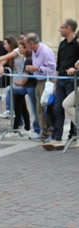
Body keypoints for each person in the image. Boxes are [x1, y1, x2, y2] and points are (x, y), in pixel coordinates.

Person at [43, 18, 79, 150]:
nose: (59, 29)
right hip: (62, 80)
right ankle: (57, 137)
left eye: (62, 27)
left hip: (72, 80)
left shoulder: (77, 44)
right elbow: (58, 65)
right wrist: (55, 82)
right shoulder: (62, 44)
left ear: (68, 29)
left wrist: (74, 70)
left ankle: (73, 136)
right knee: (58, 108)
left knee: (71, 108)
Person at [23, 33, 56, 142]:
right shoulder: (34, 51)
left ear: (31, 43)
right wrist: (33, 68)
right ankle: (44, 131)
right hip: (39, 80)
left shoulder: (45, 51)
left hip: (46, 81)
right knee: (39, 108)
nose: (25, 45)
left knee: (46, 107)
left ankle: (49, 132)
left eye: (26, 43)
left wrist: (37, 68)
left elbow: (51, 68)